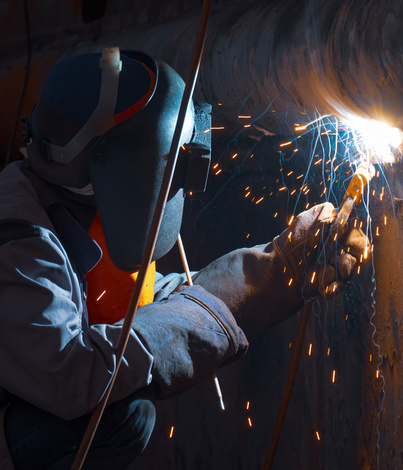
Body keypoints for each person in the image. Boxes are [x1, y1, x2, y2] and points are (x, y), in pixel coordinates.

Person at [0, 47, 368, 469]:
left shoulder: (69, 207)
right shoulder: (18, 242)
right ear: (115, 164)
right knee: (117, 419)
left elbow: (146, 304)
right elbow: (72, 373)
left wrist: (280, 265)